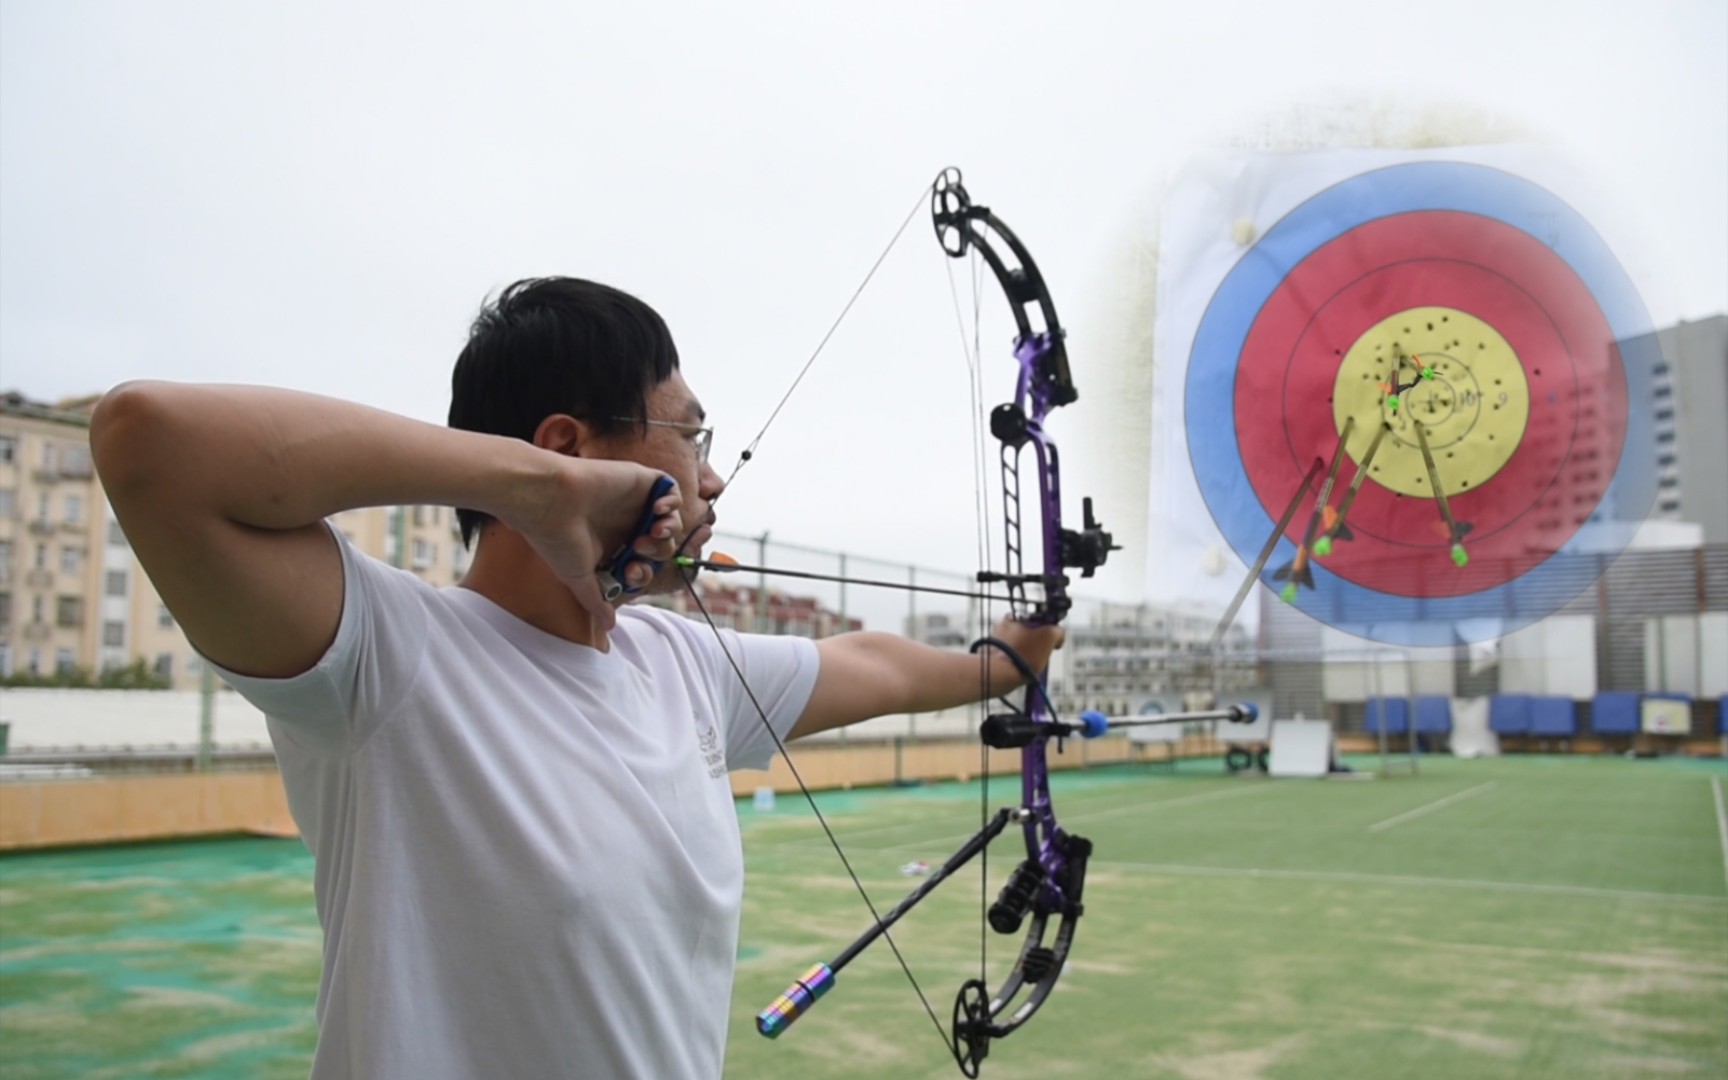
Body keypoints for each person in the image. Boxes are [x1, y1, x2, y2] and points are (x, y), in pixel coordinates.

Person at [90, 276, 1060, 1079]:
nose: (712, 481)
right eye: (691, 437)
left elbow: (871, 665)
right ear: (567, 446)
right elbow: (147, 438)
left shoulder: (677, 662)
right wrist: (535, 488)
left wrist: (1008, 657)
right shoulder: (385, 658)